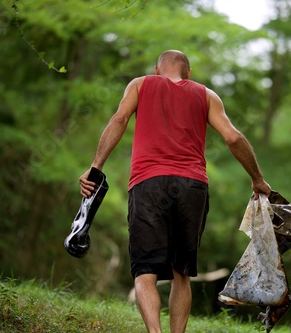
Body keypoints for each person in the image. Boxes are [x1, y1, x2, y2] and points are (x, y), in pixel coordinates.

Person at [78, 50, 271, 333]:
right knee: (182, 273)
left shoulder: (140, 84)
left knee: (145, 272)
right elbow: (233, 136)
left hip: (148, 184)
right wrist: (257, 179)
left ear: (157, 70)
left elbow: (119, 120)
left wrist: (95, 167)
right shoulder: (207, 95)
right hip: (192, 187)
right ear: (188, 72)